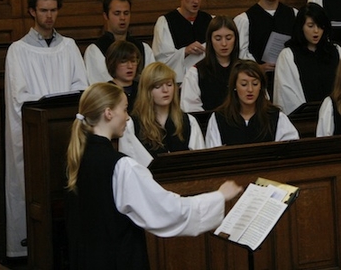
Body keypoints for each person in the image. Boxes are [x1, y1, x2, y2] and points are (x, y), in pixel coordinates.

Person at [65, 82, 242, 269]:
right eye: (125, 110)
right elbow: (168, 210)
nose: (127, 117)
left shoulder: (75, 159)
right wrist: (218, 197)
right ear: (109, 113)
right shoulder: (121, 166)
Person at [4, 0, 88, 257]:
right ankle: (33, 248)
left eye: (53, 10)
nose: (49, 16)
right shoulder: (18, 50)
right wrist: (49, 100)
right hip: (37, 132)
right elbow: (19, 96)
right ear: (32, 12)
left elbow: (81, 86)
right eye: (44, 10)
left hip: (65, 129)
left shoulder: (69, 46)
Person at [118, 62, 205, 167]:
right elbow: (131, 166)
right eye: (158, 86)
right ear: (147, 91)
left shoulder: (189, 122)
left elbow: (200, 160)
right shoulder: (133, 125)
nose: (165, 90)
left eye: (169, 84)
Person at [234, 0, 297, 93]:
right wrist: (257, 68)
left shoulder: (293, 14)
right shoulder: (245, 19)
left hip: (289, 79)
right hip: (257, 80)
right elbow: (241, 53)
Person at [206, 60, 300, 147]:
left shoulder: (276, 117)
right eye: (244, 84)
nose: (250, 90)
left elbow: (290, 150)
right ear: (234, 86)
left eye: (255, 84)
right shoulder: (219, 119)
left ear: (261, 86)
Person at [273, 3, 341, 114]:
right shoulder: (288, 55)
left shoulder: (336, 51)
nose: (316, 31)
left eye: (320, 26)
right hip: (305, 118)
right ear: (301, 27)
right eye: (310, 26)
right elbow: (287, 94)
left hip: (336, 114)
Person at [152, 0, 213, 83]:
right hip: (179, 84)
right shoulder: (166, 22)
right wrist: (184, 52)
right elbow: (161, 62)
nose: (196, 1)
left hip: (207, 80)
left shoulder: (210, 21)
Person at [84, 0, 155, 84]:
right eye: (117, 13)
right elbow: (98, 85)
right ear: (106, 16)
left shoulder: (143, 48)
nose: (122, 18)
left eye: (126, 13)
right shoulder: (95, 50)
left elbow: (152, 80)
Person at [181, 15, 240, 113]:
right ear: (210, 40)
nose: (224, 43)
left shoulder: (246, 69)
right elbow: (191, 110)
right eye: (218, 38)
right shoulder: (196, 72)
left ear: (236, 39)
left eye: (229, 38)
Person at [105, 40, 141, 112]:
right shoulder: (107, 92)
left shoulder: (142, 88)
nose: (130, 66)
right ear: (113, 63)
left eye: (133, 61)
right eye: (123, 62)